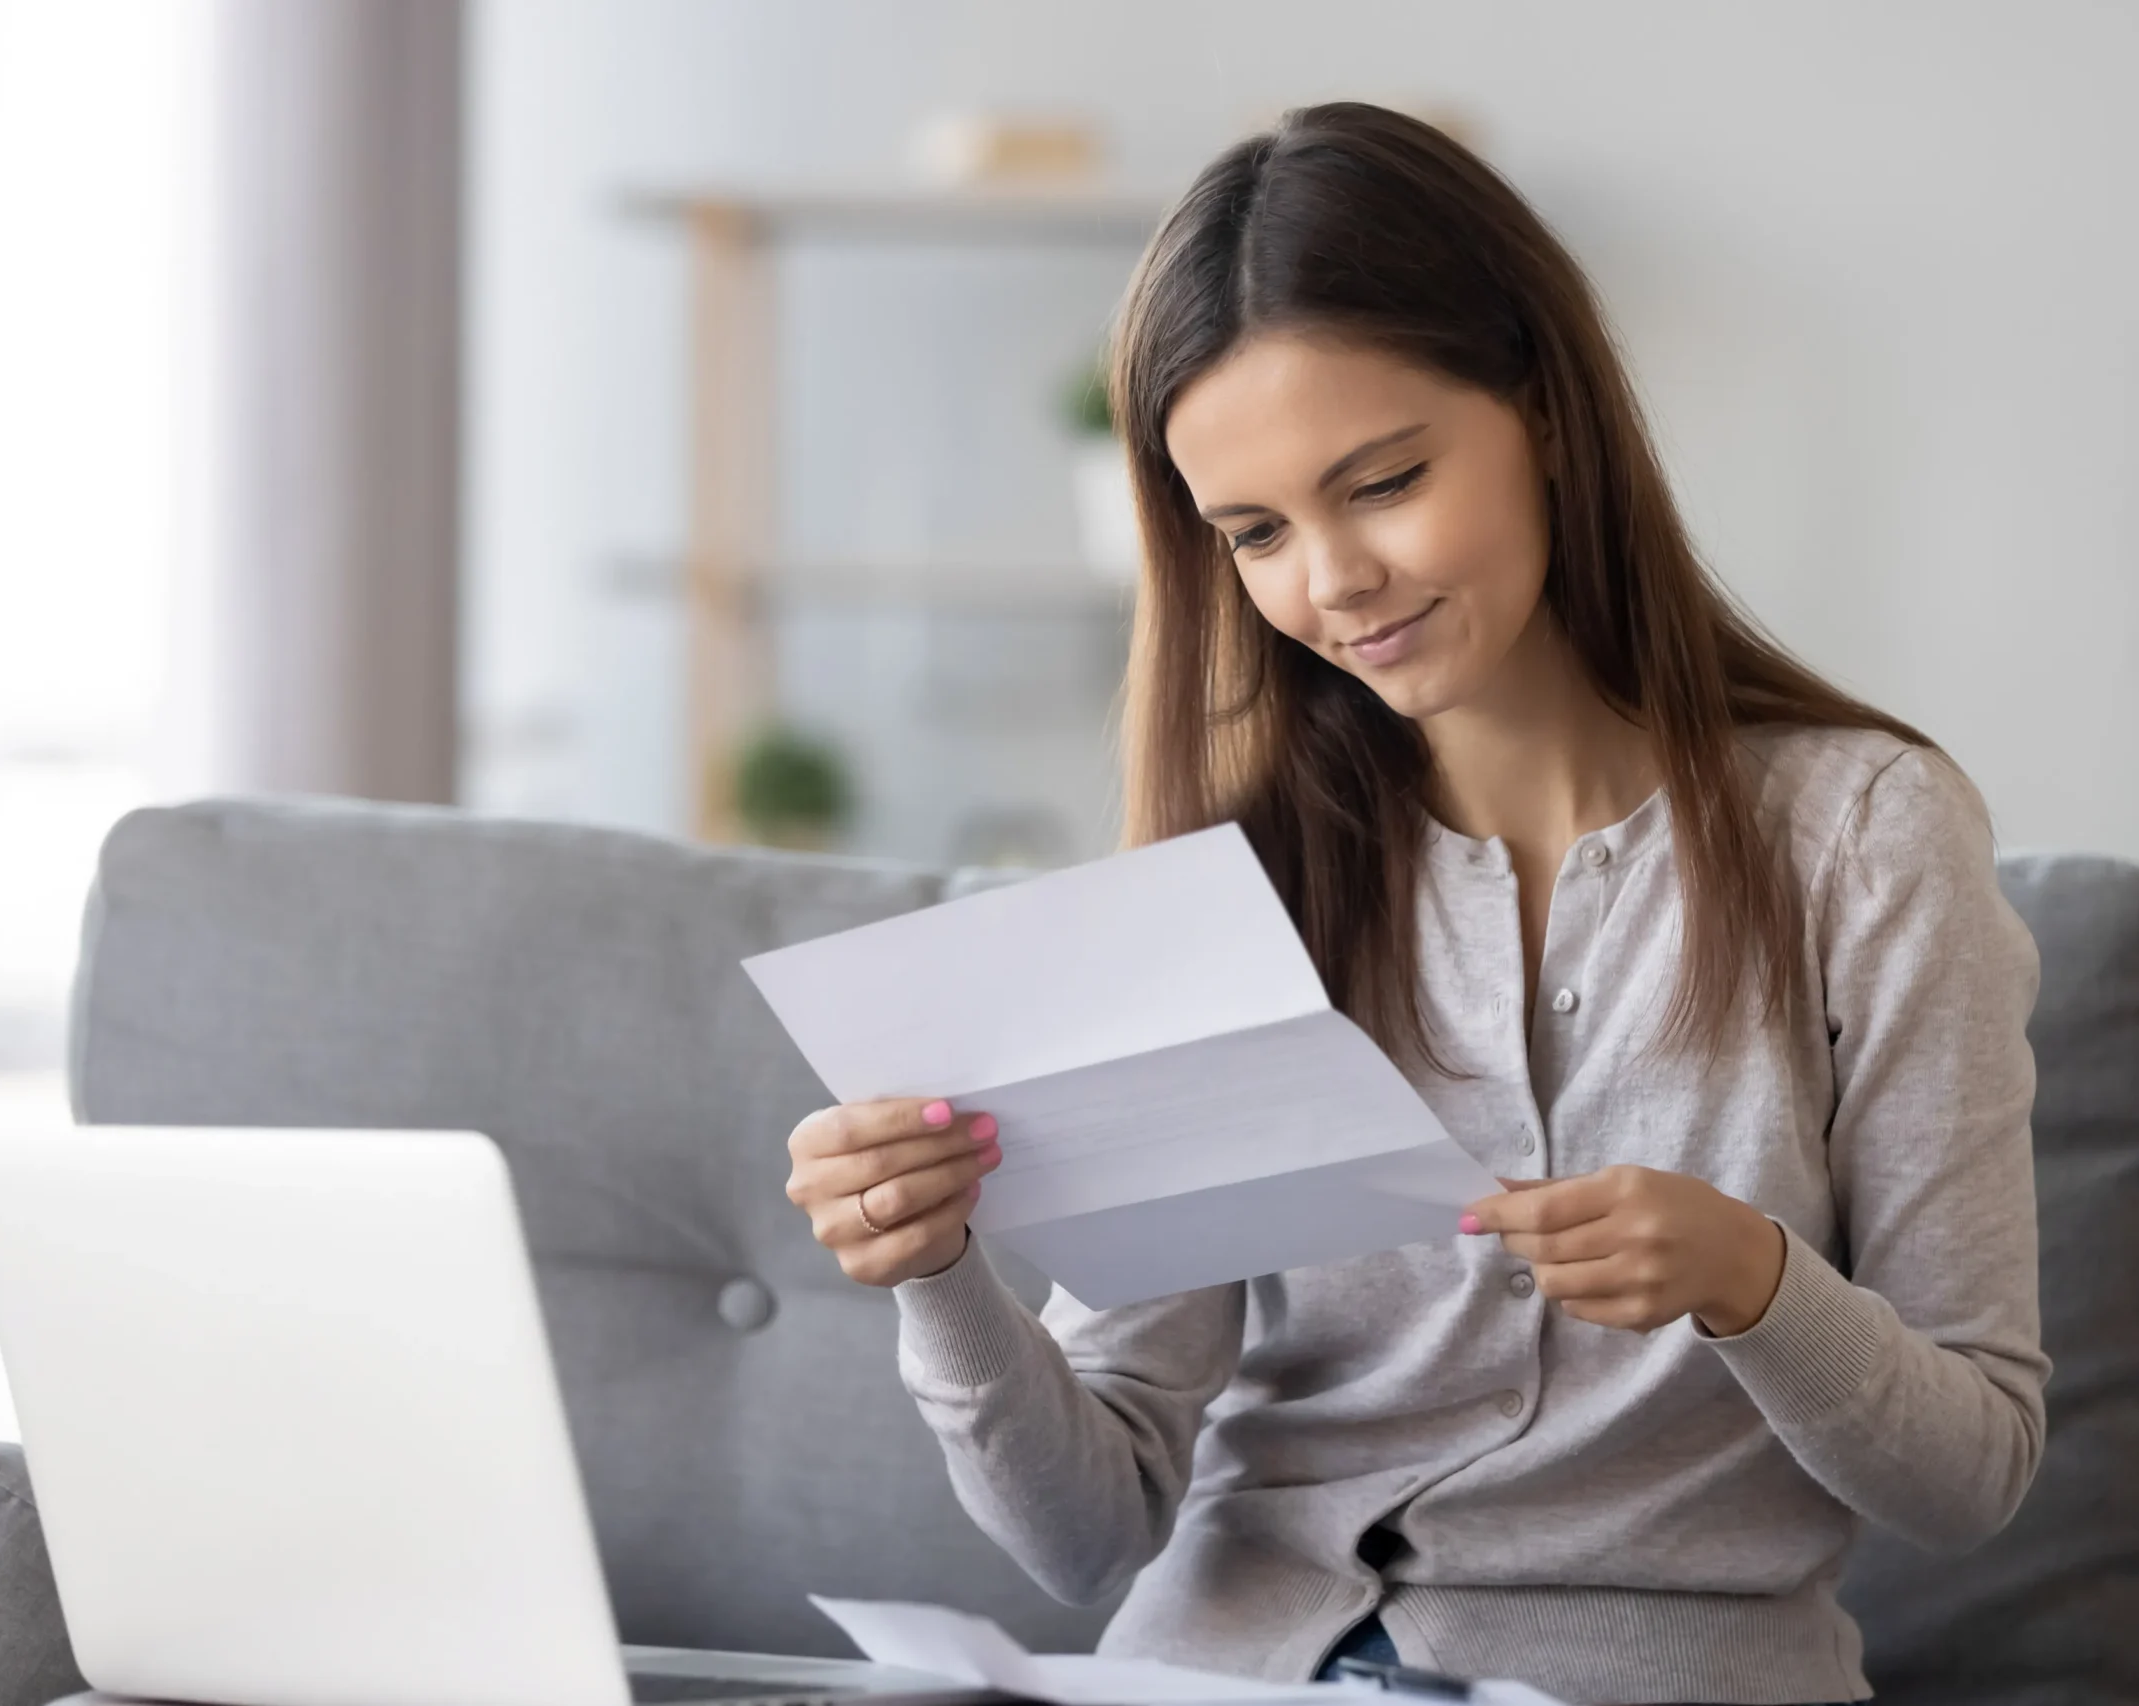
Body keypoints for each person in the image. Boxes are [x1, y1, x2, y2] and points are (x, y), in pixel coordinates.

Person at [784, 102, 2044, 1706]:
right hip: (1214, 1671)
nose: (1332, 582)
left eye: (1381, 481)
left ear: (1549, 413)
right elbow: (1086, 1530)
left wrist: (1756, 1279)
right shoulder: (1234, 884)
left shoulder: (1867, 837)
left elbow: (1975, 1467)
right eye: (1254, 533)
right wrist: (940, 1270)